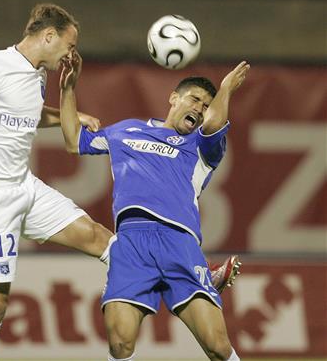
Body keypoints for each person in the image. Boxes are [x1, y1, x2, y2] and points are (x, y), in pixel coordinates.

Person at [0, 3, 115, 361]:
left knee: (98, 237)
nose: (71, 53)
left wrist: (72, 110)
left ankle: (171, 281)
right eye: (69, 44)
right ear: (49, 36)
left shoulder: (37, 74)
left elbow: (27, 113)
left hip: (25, 187)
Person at [59, 53, 250, 361]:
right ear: (173, 98)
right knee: (120, 343)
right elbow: (73, 140)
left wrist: (226, 88)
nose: (200, 109)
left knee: (217, 346)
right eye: (195, 99)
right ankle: (209, 282)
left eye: (205, 105)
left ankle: (204, 281)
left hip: (179, 242)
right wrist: (68, 90)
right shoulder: (127, 131)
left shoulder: (202, 147)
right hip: (132, 243)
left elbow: (215, 122)